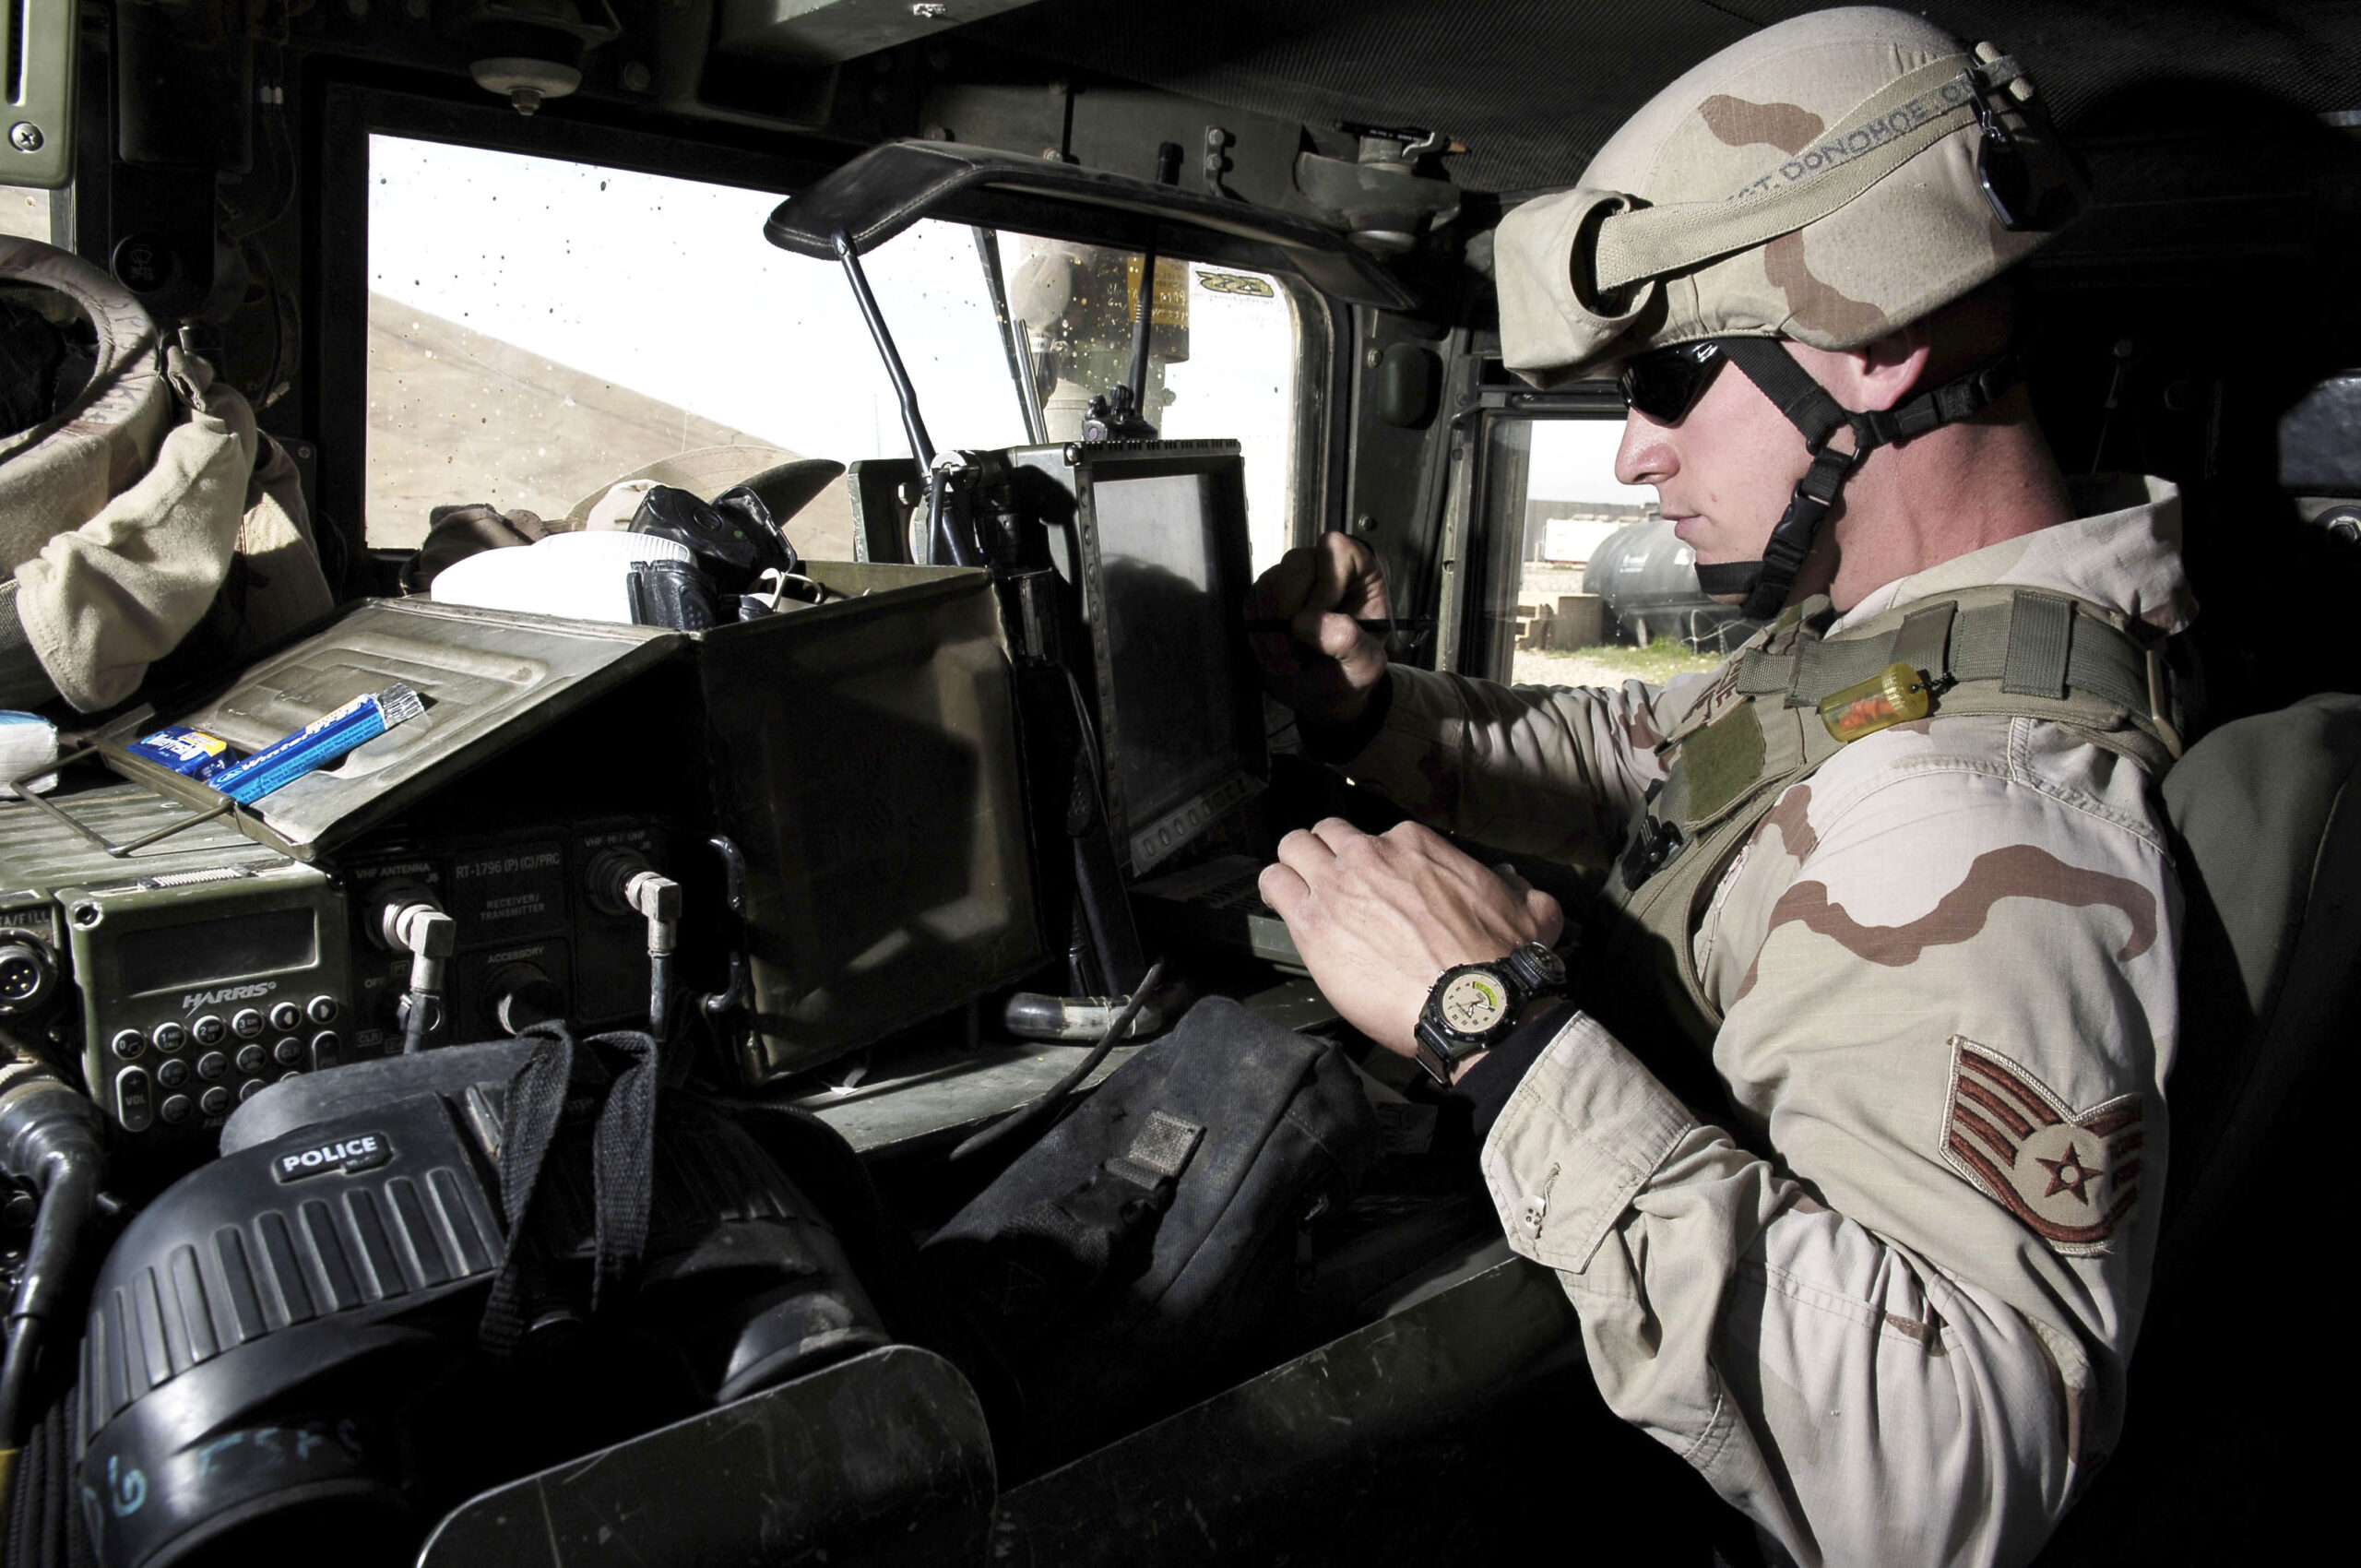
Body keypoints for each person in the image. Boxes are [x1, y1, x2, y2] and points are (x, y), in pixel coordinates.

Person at [1246, 8, 2188, 1565]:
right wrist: (1376, 710)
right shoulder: (1916, 643)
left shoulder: (1970, 823)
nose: (1631, 455)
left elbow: (1953, 1478)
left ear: (1874, 340)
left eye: (1672, 377)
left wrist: (1492, 1023)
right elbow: (1670, 770)